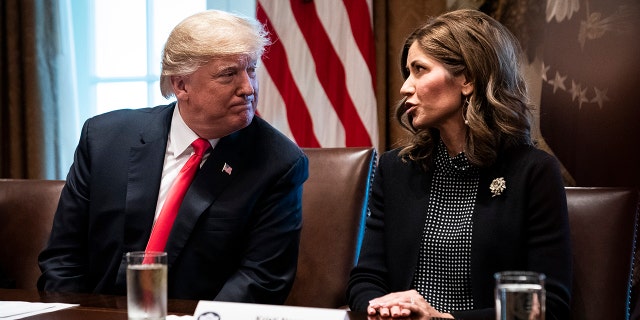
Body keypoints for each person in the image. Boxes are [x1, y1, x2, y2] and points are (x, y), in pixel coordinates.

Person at [37, 10, 309, 304]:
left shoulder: (278, 162)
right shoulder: (104, 139)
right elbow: (63, 257)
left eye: (252, 69)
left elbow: (260, 279)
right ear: (181, 85)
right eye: (229, 74)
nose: (248, 88)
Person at [346, 9, 571, 320]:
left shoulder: (532, 172)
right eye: (407, 72)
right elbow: (365, 280)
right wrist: (389, 308)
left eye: (419, 70)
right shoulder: (395, 168)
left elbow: (549, 303)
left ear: (467, 79)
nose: (405, 87)